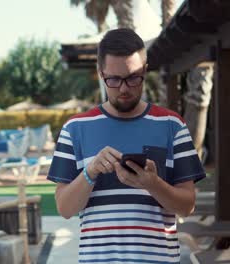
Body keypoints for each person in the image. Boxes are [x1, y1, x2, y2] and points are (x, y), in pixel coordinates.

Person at [47, 28, 205, 263]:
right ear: (101, 74)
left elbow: (187, 206)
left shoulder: (172, 125)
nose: (123, 88)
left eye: (133, 77)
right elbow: (65, 209)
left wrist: (153, 184)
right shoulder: (75, 129)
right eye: (114, 79)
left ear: (145, 70)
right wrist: (90, 172)